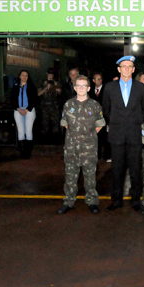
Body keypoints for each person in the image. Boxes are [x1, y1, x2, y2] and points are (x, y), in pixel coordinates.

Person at [102, 55, 144, 211]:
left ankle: (136, 200)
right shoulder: (110, 87)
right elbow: (105, 109)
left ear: (133, 69)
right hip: (117, 134)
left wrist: (135, 121)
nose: (126, 69)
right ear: (119, 69)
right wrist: (117, 120)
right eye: (123, 66)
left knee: (135, 168)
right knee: (117, 168)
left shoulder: (141, 88)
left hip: (134, 133)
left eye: (129, 66)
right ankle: (116, 200)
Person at [57, 75, 106, 215]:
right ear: (74, 87)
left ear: (89, 88)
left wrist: (87, 136)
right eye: (78, 86)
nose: (81, 88)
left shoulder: (95, 105)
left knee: (90, 176)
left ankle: (92, 202)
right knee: (70, 176)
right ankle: (69, 201)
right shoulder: (68, 105)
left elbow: (100, 124)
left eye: (84, 86)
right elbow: (65, 123)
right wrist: (76, 136)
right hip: (71, 148)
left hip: (89, 148)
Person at [11, 70, 39, 159]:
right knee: (20, 131)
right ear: (19, 76)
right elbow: (12, 99)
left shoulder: (31, 86)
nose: (24, 77)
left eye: (26, 75)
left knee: (28, 131)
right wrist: (18, 109)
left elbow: (34, 99)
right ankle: (22, 152)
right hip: (18, 110)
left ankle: (28, 152)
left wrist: (27, 110)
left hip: (29, 110)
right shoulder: (15, 86)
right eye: (23, 75)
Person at [37, 68, 62, 141]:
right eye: (49, 75)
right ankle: (44, 139)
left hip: (54, 105)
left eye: (52, 75)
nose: (50, 76)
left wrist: (56, 89)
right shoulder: (42, 82)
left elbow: (60, 91)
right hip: (45, 105)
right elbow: (38, 94)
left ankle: (55, 140)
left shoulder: (56, 83)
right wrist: (46, 88)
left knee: (55, 123)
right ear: (47, 74)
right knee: (45, 123)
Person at [90, 72, 110, 162]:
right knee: (95, 136)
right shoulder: (90, 90)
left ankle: (107, 155)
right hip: (94, 117)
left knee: (106, 136)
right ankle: (96, 155)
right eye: (97, 79)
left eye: (100, 79)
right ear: (94, 80)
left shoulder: (106, 89)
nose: (99, 81)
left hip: (105, 116)